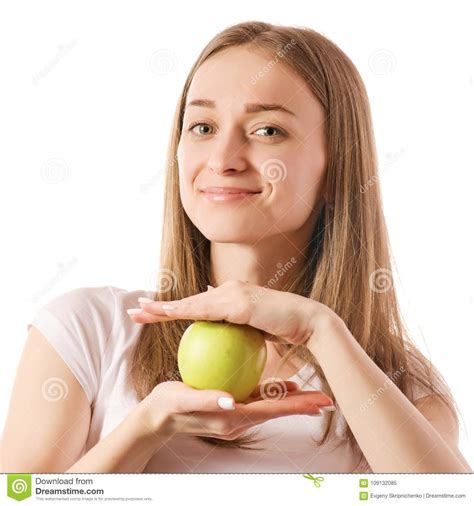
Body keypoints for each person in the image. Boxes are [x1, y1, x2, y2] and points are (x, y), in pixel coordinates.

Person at [2, 21, 471, 474]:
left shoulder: (401, 386)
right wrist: (144, 429)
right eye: (203, 127)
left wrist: (318, 329)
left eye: (267, 130)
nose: (223, 160)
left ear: (337, 167)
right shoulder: (87, 330)